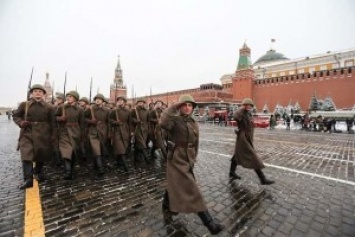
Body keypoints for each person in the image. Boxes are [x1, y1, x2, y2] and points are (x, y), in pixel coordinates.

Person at [160, 94, 224, 235]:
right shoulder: (174, 120)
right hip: (176, 158)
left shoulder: (193, 122)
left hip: (188, 158)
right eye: (185, 105)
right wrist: (174, 106)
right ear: (180, 107)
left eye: (190, 105)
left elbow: (196, 143)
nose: (187, 108)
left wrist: (193, 158)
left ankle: (166, 203)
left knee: (176, 183)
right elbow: (162, 122)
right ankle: (209, 223)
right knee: (192, 189)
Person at [12, 84, 56, 189]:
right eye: (35, 91)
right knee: (26, 154)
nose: (37, 93)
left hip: (43, 134)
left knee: (41, 154)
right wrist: (21, 123)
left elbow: (53, 123)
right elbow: (16, 115)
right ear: (31, 93)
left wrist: (53, 136)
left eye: (40, 92)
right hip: (27, 133)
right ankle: (28, 179)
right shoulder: (25, 105)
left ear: (44, 94)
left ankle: (38, 172)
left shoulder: (49, 107)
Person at [229, 98, 274, 185]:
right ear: (244, 105)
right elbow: (235, 116)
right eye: (247, 105)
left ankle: (231, 173)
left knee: (236, 156)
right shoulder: (241, 113)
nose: (249, 106)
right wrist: (242, 109)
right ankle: (262, 179)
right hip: (243, 139)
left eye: (250, 105)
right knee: (253, 157)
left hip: (247, 138)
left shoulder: (248, 114)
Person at [55, 91, 85, 180]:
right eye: (67, 96)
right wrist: (60, 118)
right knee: (66, 151)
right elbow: (54, 117)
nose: (68, 98)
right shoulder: (62, 107)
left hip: (75, 132)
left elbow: (82, 123)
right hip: (64, 131)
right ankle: (68, 171)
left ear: (75, 98)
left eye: (70, 96)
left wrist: (81, 134)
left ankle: (71, 169)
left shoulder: (80, 109)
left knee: (72, 151)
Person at [110, 96, 131, 171]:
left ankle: (118, 160)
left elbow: (130, 122)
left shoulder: (128, 111)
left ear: (125, 102)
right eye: (118, 100)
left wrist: (131, 131)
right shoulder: (114, 111)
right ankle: (126, 166)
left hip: (125, 129)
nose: (120, 101)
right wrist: (115, 122)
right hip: (117, 131)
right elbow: (110, 120)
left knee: (124, 146)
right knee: (120, 147)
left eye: (121, 100)